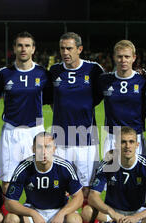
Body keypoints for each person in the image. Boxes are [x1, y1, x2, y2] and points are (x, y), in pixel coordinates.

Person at [0, 31, 52, 223]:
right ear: (14, 49)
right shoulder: (3, 74)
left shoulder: (43, 74)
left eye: (27, 45)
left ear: (34, 49)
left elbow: (54, 103)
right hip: (11, 132)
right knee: (7, 185)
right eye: (19, 45)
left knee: (42, 179)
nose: (23, 49)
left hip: (35, 130)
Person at [97, 39, 146, 223]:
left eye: (127, 56)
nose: (123, 60)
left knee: (140, 185)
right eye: (119, 57)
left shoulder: (144, 80)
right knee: (111, 186)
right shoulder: (105, 80)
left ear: (134, 58)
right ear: (114, 58)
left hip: (136, 138)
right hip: (111, 138)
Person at [3, 132, 84, 223]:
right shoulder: (24, 167)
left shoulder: (64, 167)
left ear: (54, 149)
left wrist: (62, 213)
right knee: (10, 221)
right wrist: (33, 214)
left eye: (47, 147)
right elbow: (10, 202)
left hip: (59, 209)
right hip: (34, 210)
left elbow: (79, 197)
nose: (43, 152)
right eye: (39, 147)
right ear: (33, 149)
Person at [49, 32, 104, 198]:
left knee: (86, 186)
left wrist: (83, 108)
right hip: (60, 137)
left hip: (86, 137)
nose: (65, 52)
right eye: (62, 49)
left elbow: (100, 95)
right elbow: (51, 99)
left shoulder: (94, 69)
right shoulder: (54, 70)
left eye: (69, 48)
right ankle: (64, 222)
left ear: (79, 49)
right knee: (60, 185)